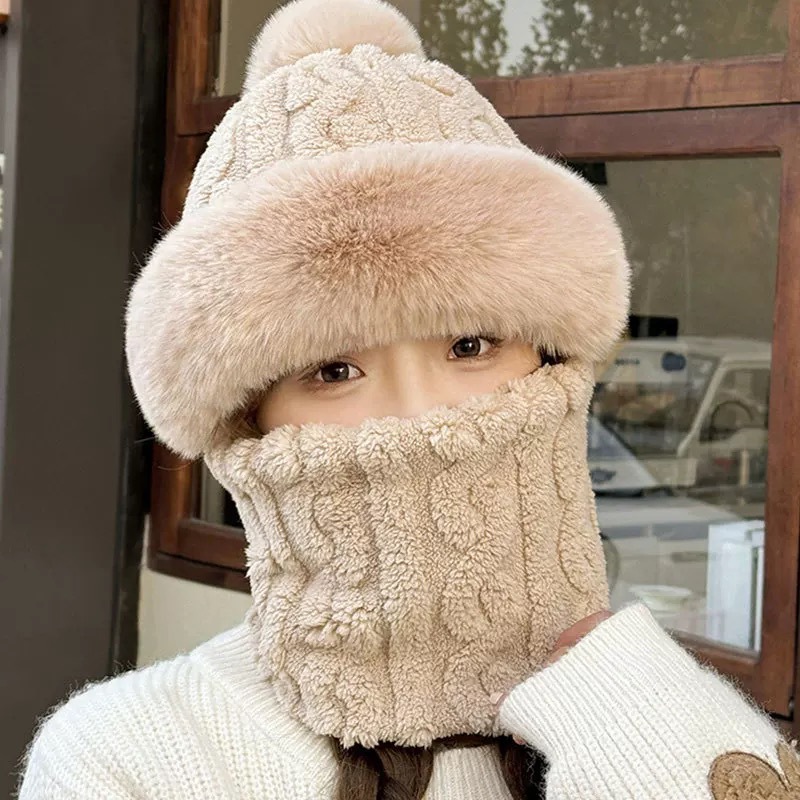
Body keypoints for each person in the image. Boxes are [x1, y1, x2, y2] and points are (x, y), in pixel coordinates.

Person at [18, 0, 792, 797]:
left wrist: (649, 717)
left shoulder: (662, 713)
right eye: (332, 370)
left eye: (471, 345)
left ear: (551, 359)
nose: (421, 415)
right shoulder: (128, 756)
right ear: (248, 419)